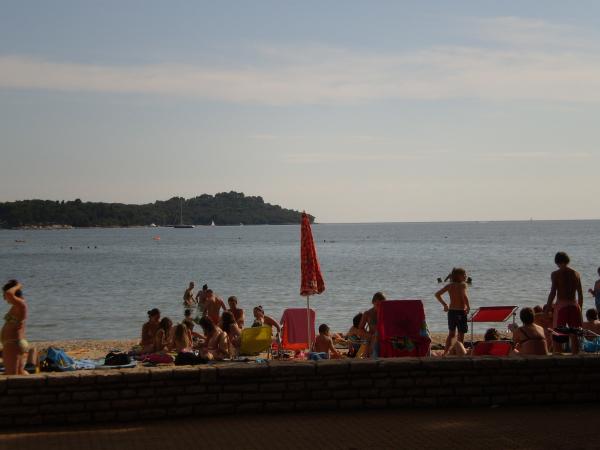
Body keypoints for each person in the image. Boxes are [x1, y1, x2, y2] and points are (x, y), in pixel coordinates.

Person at [546, 251, 583, 354]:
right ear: (567, 260)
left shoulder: (555, 274)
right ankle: (575, 356)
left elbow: (553, 293)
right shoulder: (576, 274)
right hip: (574, 305)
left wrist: (547, 309)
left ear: (557, 262)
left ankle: (558, 355)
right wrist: (580, 308)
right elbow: (580, 294)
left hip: (561, 306)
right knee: (574, 334)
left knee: (557, 333)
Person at [435, 268, 471, 355]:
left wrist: (445, 304)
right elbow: (464, 296)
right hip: (460, 312)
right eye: (464, 274)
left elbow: (437, 294)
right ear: (458, 276)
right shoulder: (462, 285)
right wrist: (468, 306)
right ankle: (459, 351)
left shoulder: (450, 285)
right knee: (461, 333)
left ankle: (445, 352)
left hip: (451, 312)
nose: (466, 276)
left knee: (451, 334)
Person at [2, 280, 29, 375]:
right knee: (19, 373)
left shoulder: (21, 304)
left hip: (13, 343)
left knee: (12, 375)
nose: (4, 298)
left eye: (4, 295)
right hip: (14, 343)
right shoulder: (17, 305)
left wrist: (18, 285)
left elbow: (9, 294)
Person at [358, 292, 386, 358]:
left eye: (382, 305)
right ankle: (374, 357)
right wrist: (370, 336)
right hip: (372, 338)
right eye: (378, 305)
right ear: (373, 302)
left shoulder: (387, 313)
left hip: (383, 338)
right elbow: (360, 330)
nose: (380, 307)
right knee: (374, 337)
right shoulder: (368, 314)